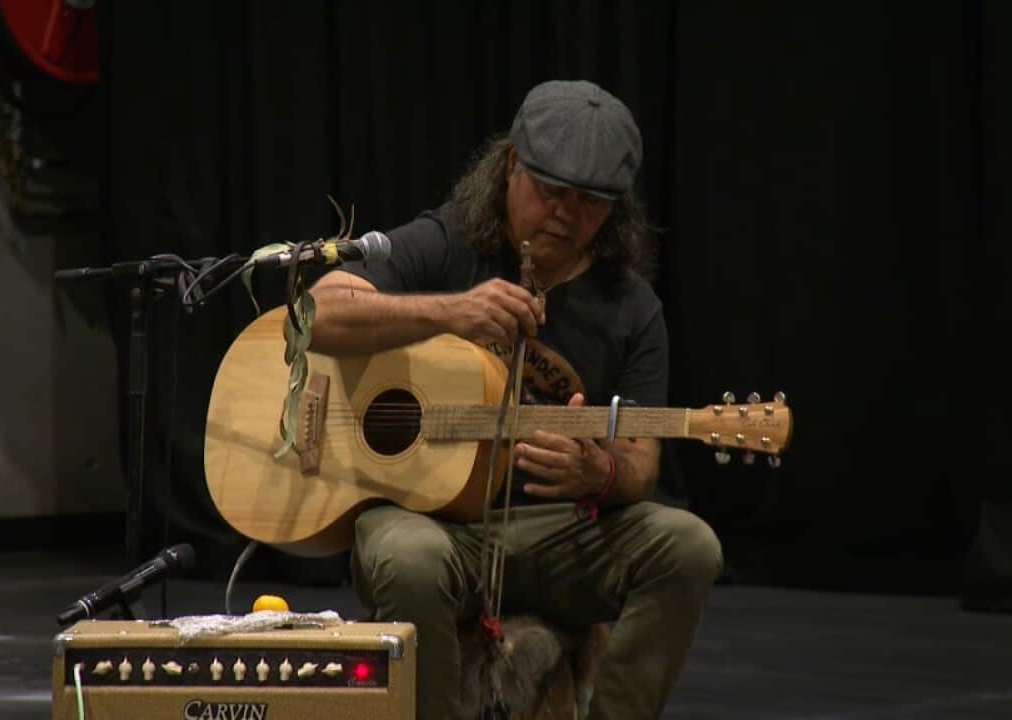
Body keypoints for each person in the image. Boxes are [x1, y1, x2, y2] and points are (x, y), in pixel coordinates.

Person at [308, 80, 723, 719]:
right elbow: (317, 315)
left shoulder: (632, 308)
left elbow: (642, 464)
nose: (565, 213)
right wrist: (451, 312)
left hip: (563, 537)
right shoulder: (449, 243)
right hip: (438, 525)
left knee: (689, 546)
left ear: (616, 210)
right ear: (509, 168)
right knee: (405, 556)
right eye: (550, 191)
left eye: (590, 202)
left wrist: (601, 471)